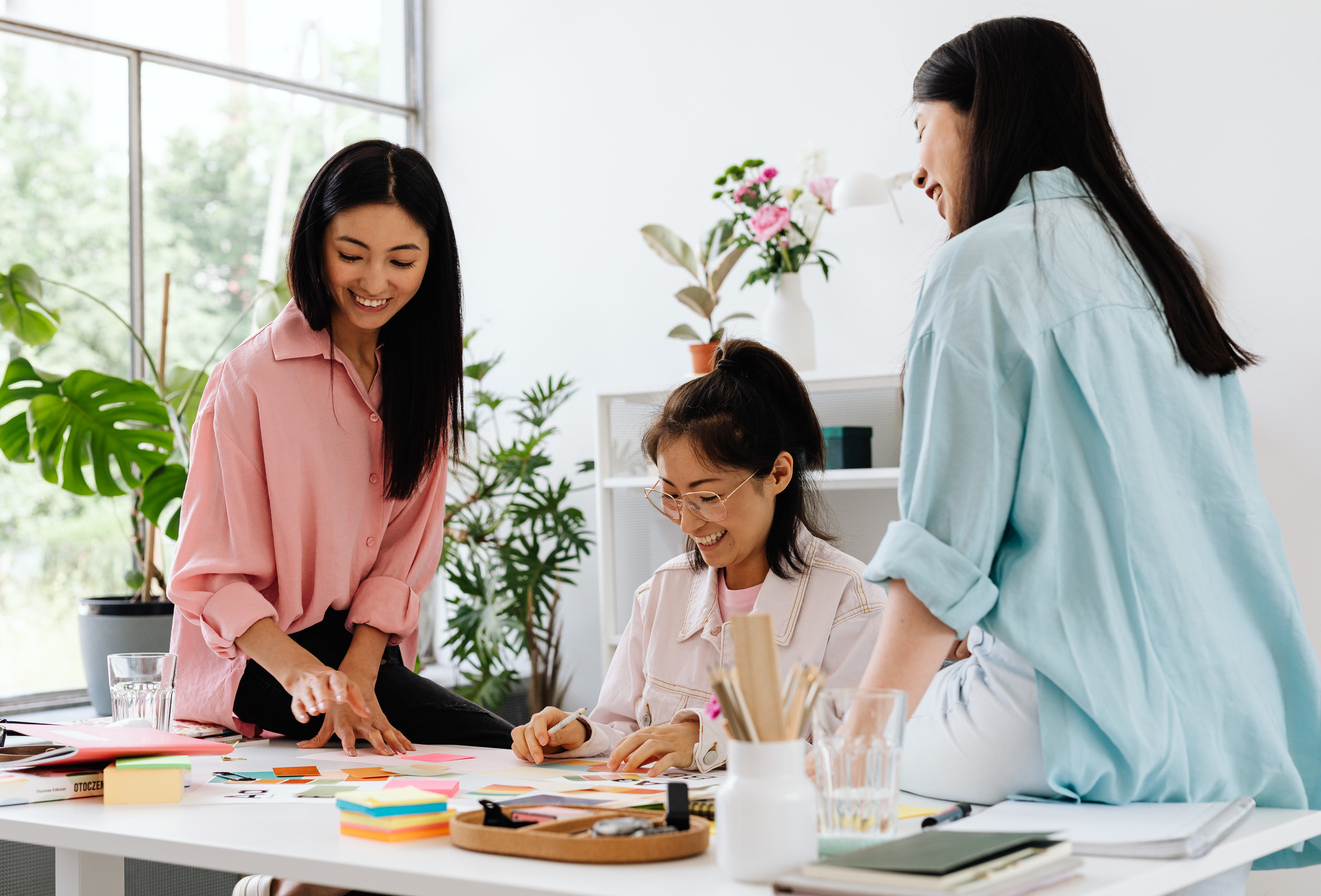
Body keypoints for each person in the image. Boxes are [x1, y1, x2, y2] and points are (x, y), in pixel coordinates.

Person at [852, 16, 1321, 893]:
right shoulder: (1161, 268)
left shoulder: (977, 268)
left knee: (854, 756)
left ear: (980, 114)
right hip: (1223, 720)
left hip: (1076, 718)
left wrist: (844, 764)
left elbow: (936, 564)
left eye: (920, 128)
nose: (915, 168)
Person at [168, 140, 513, 764]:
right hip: (260, 658)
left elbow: (404, 552)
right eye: (351, 255)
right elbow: (211, 573)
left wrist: (355, 676)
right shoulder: (250, 381)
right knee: (487, 746)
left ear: (432, 262)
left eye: (401, 261)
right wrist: (307, 678)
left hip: (358, 650)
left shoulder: (421, 379)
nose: (375, 283)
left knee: (492, 747)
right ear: (315, 244)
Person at [511, 339, 884, 775]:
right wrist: (580, 735)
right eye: (672, 496)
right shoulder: (660, 593)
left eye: (708, 497)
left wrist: (712, 738)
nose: (687, 524)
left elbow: (853, 758)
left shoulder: (851, 603)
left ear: (778, 474)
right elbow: (622, 725)